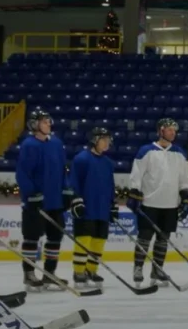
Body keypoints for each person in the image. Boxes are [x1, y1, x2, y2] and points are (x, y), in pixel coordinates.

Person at [16, 109, 82, 292]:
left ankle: (49, 274)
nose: (49, 124)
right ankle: (29, 274)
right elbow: (22, 174)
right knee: (32, 237)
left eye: (49, 121)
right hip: (35, 202)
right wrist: (31, 194)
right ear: (35, 124)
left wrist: (67, 190)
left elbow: (63, 171)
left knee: (55, 238)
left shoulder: (56, 144)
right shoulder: (29, 145)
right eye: (45, 121)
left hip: (55, 201)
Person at [126, 118, 188, 286]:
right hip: (149, 203)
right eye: (170, 130)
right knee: (144, 237)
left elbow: (184, 179)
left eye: (174, 131)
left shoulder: (180, 153)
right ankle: (138, 268)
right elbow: (137, 175)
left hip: (170, 204)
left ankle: (157, 269)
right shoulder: (146, 151)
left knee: (163, 239)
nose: (173, 133)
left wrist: (185, 196)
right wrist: (134, 192)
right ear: (161, 131)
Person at [70, 128, 117, 290]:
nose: (107, 142)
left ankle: (91, 270)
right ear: (94, 140)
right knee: (84, 239)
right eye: (104, 139)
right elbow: (74, 182)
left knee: (99, 240)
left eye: (108, 139)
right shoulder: (81, 159)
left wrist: (113, 205)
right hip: (86, 207)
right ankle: (78, 272)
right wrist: (76, 201)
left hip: (102, 208)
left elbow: (110, 186)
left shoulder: (108, 163)